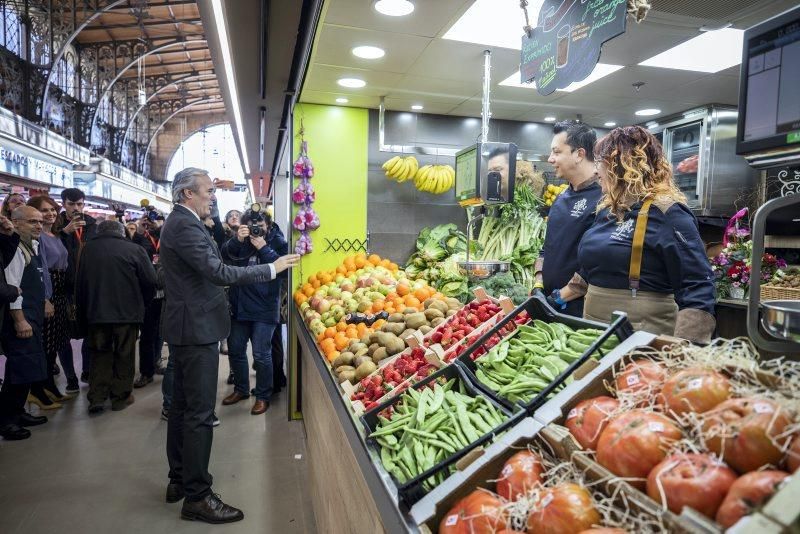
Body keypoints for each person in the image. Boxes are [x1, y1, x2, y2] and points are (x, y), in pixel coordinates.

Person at [160, 167, 300, 523]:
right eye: (207, 191)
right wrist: (271, 268)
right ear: (187, 194)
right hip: (196, 328)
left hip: (189, 324)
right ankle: (198, 495)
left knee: (181, 407)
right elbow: (219, 271)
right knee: (199, 413)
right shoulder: (184, 224)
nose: (212, 196)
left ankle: (179, 479)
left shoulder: (184, 222)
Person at [558, 126, 716, 343]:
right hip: (593, 331)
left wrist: (682, 352)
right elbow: (592, 268)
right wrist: (557, 298)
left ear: (621, 167)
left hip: (642, 333)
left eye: (600, 163)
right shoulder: (606, 209)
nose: (596, 171)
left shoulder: (668, 213)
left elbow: (698, 285)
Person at [76, 220, 157, 414]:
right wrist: (142, 303)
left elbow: (80, 283)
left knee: (99, 355)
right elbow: (151, 280)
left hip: (96, 313)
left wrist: (83, 311)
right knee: (124, 355)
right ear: (122, 232)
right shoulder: (134, 249)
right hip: (127, 314)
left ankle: (96, 397)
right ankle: (120, 397)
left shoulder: (87, 250)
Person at [221, 208, 288, 415]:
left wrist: (264, 248)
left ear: (268, 225)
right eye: (251, 226)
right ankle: (241, 389)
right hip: (240, 306)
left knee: (261, 354)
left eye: (259, 225)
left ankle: (262, 396)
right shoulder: (240, 242)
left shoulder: (277, 241)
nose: (255, 229)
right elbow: (224, 256)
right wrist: (236, 240)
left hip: (265, 309)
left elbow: (283, 270)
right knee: (235, 349)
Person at [535, 120, 603, 317]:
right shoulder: (561, 197)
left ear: (579, 154)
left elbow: (597, 264)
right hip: (550, 305)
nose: (550, 159)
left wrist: (559, 297)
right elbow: (547, 246)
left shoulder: (604, 199)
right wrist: (538, 284)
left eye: (557, 152)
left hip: (580, 311)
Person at [1, 206, 50, 440]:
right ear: (16, 223)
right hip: (22, 317)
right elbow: (12, 287)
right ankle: (7, 421)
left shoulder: (33, 246)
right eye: (32, 222)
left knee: (24, 368)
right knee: (19, 369)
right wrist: (19, 320)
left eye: (40, 221)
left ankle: (17, 412)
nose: (39, 226)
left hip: (33, 314)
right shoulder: (16, 251)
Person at [27, 196, 77, 402]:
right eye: (44, 210)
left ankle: (49, 387)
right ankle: (40, 388)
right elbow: (42, 270)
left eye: (52, 210)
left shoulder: (54, 235)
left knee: (55, 342)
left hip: (60, 290)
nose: (50, 214)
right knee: (46, 343)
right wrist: (46, 298)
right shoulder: (38, 237)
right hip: (49, 290)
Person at [54, 188, 97, 383]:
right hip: (63, 286)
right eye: (71, 204)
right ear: (63, 204)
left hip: (87, 286)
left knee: (89, 330)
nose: (76, 208)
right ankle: (70, 377)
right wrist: (64, 233)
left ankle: (87, 371)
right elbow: (49, 249)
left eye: (79, 204)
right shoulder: (56, 224)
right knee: (63, 334)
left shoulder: (92, 225)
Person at [132, 213, 165, 388]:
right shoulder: (142, 239)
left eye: (157, 220)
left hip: (166, 291)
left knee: (161, 331)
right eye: (150, 220)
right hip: (147, 292)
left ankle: (157, 361)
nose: (152, 223)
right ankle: (146, 372)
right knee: (146, 334)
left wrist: (160, 226)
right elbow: (134, 250)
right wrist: (138, 231)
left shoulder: (165, 236)